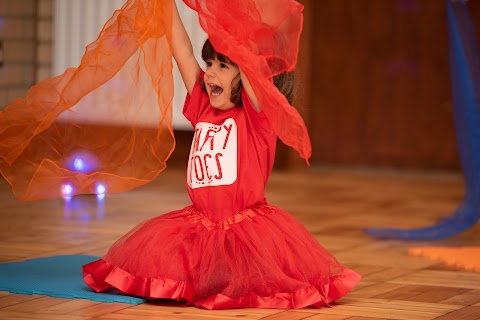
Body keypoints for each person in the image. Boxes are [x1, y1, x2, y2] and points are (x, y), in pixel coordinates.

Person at [82, 0, 361, 310]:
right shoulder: (202, 105)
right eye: (210, 64)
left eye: (223, 66)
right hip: (198, 224)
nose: (210, 74)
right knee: (168, 277)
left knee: (245, 280)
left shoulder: (258, 117)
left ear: (247, 74)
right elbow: (183, 53)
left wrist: (237, 34)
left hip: (246, 230)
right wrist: (165, 6)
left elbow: (252, 69)